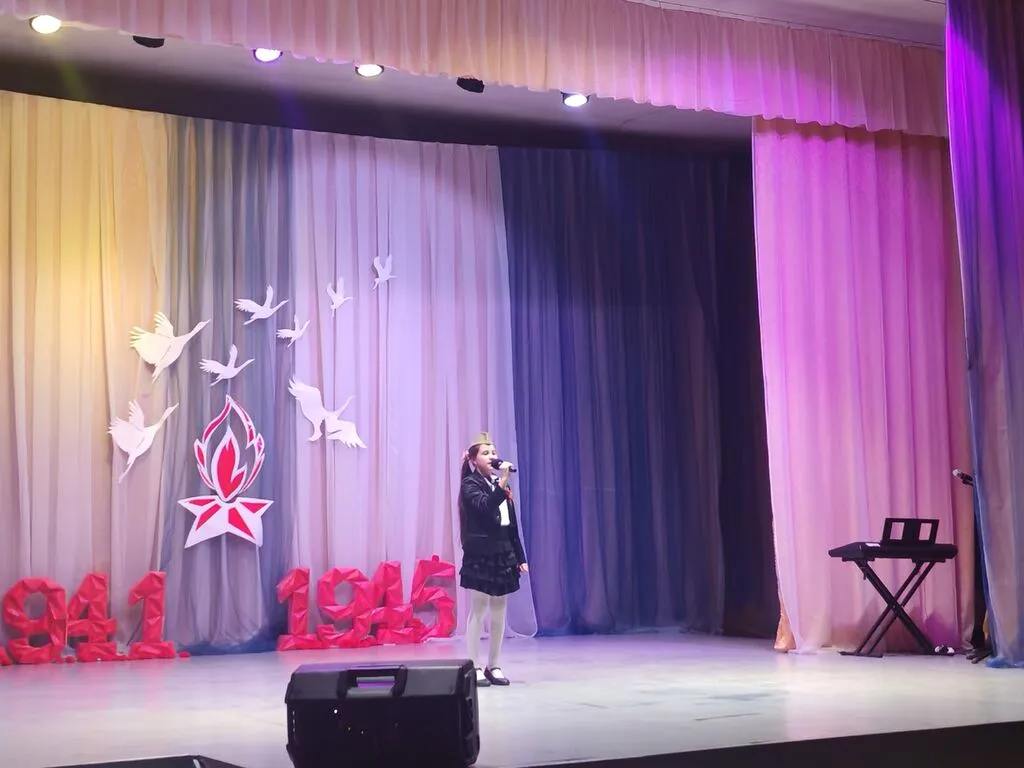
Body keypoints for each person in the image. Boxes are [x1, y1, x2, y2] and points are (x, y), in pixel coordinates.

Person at [458, 432, 528, 687]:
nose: (492, 457)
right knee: (479, 608)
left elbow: (511, 525)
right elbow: (486, 507)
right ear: (473, 460)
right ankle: (473, 665)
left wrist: (519, 556)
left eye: (494, 452)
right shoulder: (470, 484)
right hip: (481, 553)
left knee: (500, 609)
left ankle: (494, 665)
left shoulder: (501, 485)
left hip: (503, 552)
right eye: (485, 453)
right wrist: (502, 483)